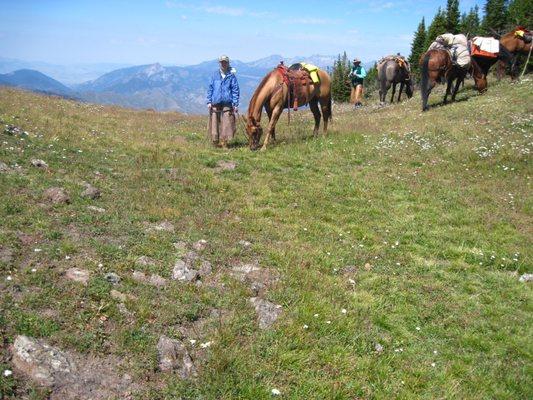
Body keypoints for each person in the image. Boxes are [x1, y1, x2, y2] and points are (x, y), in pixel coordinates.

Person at [206, 55, 240, 148]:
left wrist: (235, 103)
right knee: (214, 122)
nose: (223, 64)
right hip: (215, 101)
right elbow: (210, 88)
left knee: (227, 122)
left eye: (225, 62)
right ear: (219, 63)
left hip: (227, 102)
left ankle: (224, 141)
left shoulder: (231, 76)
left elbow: (235, 90)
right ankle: (214, 141)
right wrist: (209, 101)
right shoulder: (214, 75)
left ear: (228, 63)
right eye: (222, 62)